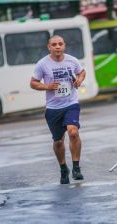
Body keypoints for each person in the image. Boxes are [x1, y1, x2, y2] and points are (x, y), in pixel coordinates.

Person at [30, 35, 86, 184]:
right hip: (53, 108)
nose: (57, 47)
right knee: (58, 141)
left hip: (71, 103)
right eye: (54, 44)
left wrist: (79, 80)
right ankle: (63, 168)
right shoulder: (42, 64)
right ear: (49, 47)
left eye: (60, 44)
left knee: (73, 132)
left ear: (64, 46)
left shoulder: (72, 60)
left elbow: (82, 72)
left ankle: (76, 168)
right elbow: (33, 83)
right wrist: (47, 86)